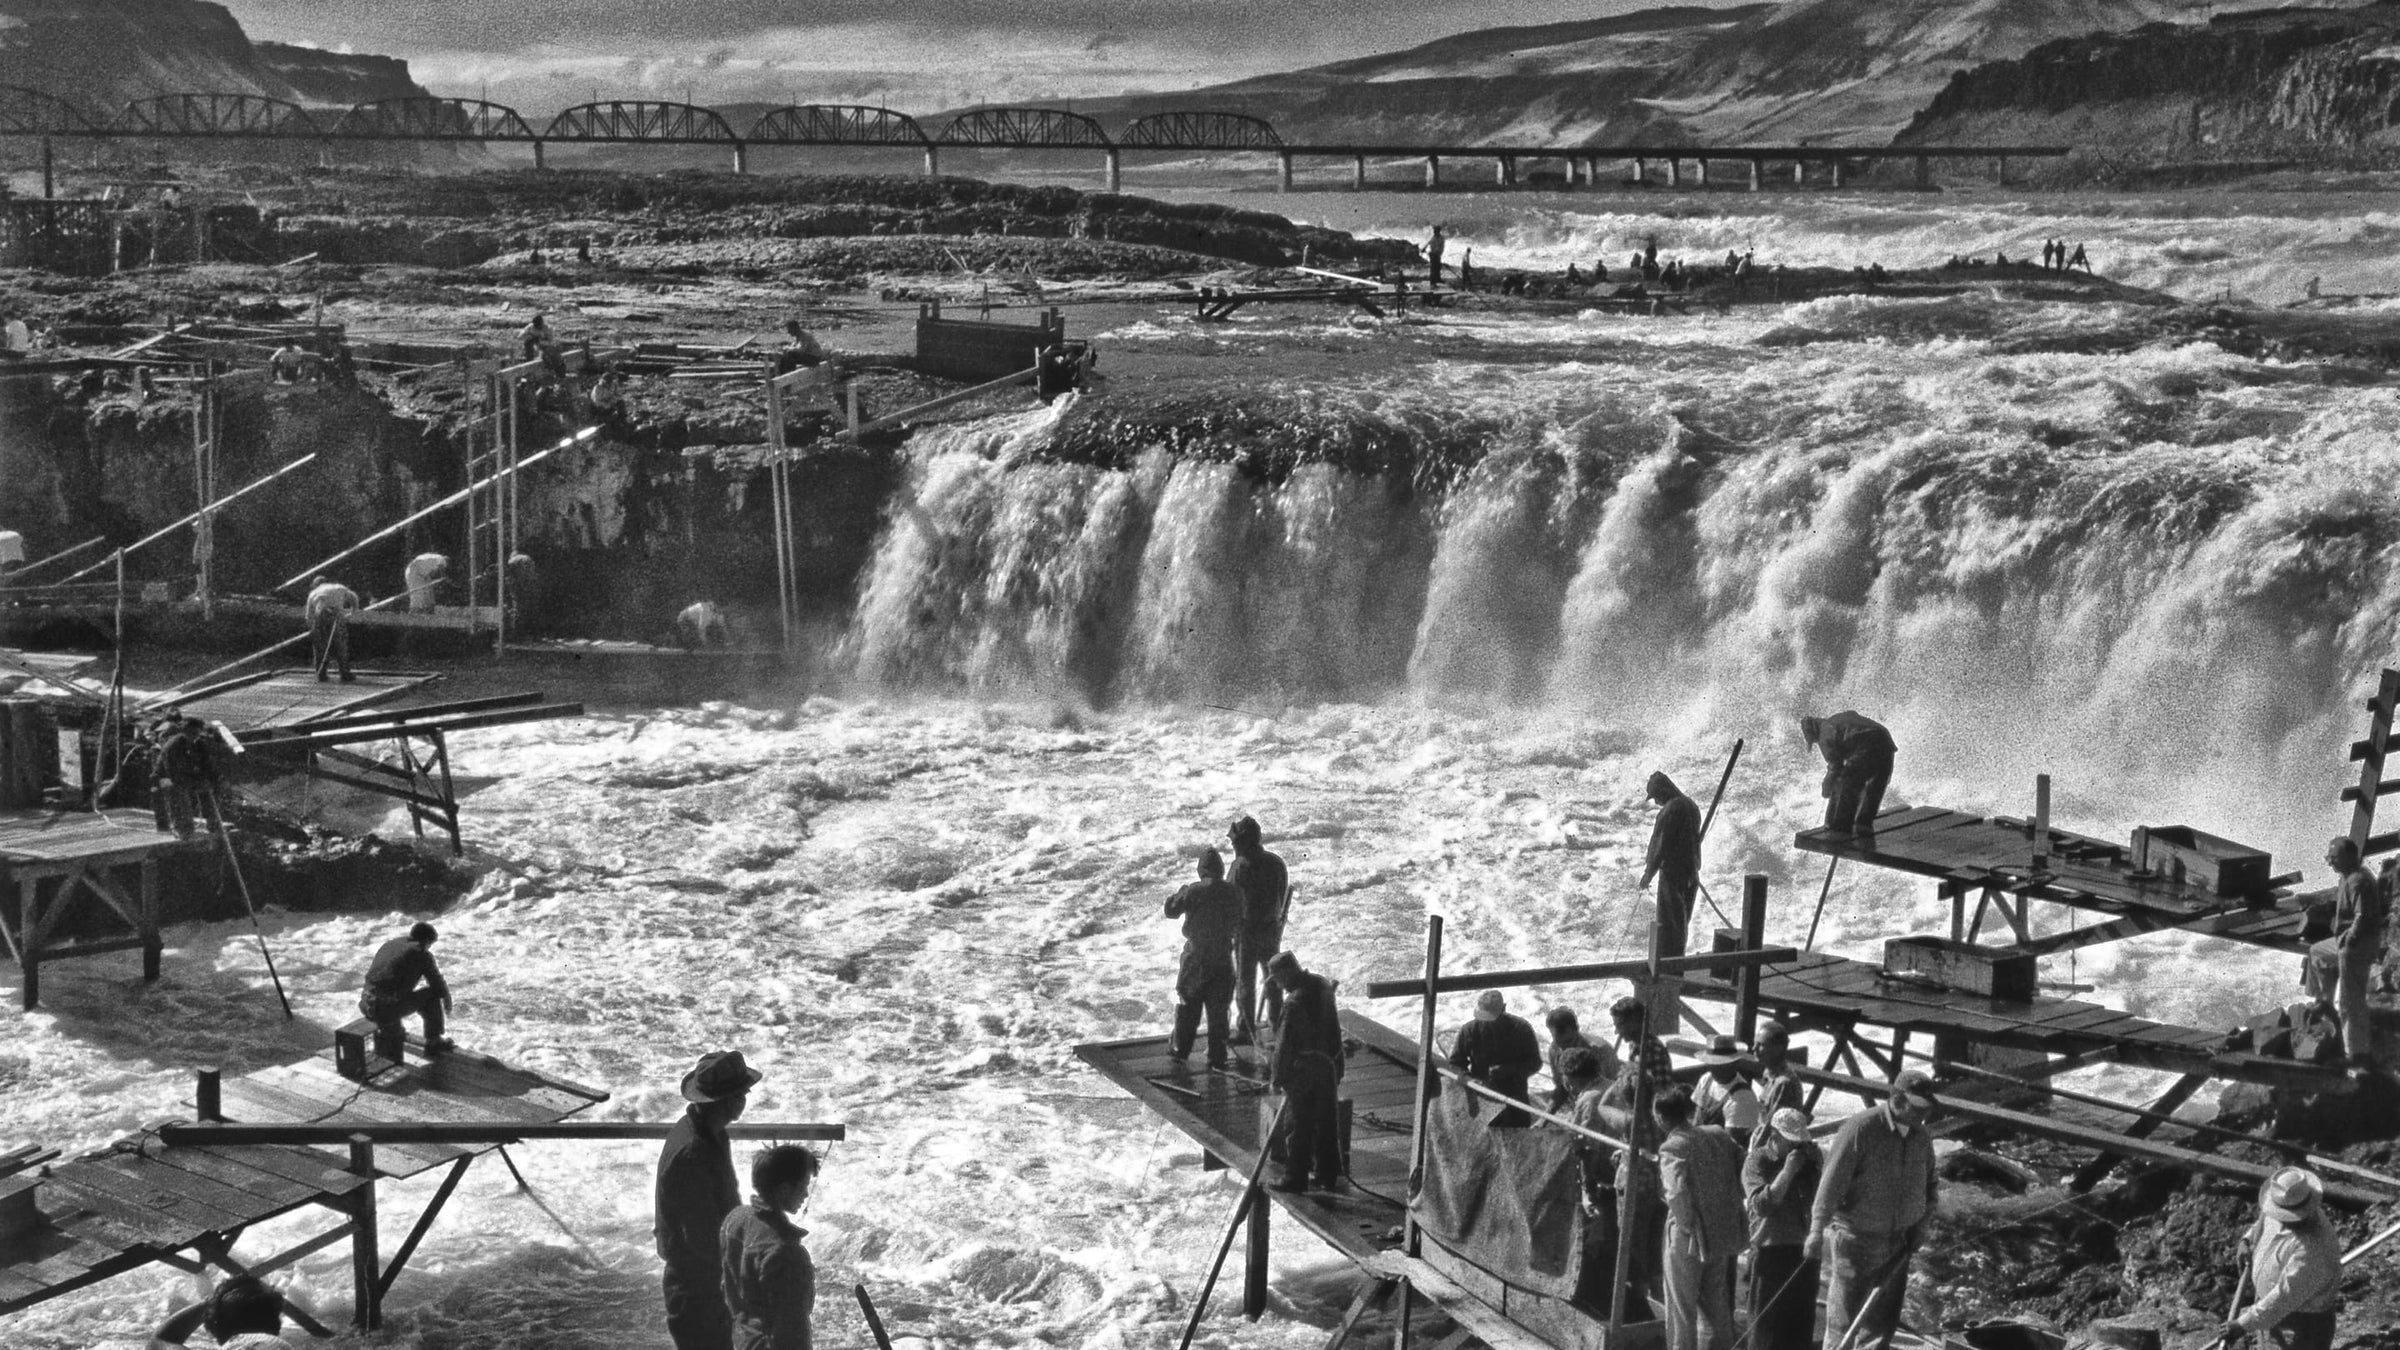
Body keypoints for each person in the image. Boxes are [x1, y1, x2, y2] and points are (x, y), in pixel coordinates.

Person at [1807, 1069, 1940, 1350]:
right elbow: (1830, 1185)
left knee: (1881, 1323)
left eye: (1926, 1109)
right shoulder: (1861, 1129)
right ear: (1896, 1098)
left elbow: (1931, 1188)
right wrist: (1816, 1230)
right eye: (1917, 1107)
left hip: (1900, 1243)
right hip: (1856, 1241)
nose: (1922, 1115)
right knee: (1844, 1322)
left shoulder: (1922, 1137)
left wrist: (1922, 1226)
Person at [658, 1049, 762, 1350]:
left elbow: (726, 1209)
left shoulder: (711, 1133)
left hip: (709, 1283)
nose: (745, 1098)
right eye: (742, 1092)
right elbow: (703, 1238)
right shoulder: (693, 1152)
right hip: (698, 1291)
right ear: (729, 1100)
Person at [1656, 1086, 1746, 1350]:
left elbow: (1675, 1192)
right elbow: (1743, 1168)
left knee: (1681, 1310)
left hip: (1688, 1238)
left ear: (1660, 1117)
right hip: (1720, 1233)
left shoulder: (1672, 1146)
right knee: (1716, 1306)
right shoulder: (1717, 1134)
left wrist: (1688, 1225)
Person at [2227, 1168, 2341, 1350]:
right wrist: (2247, 1240)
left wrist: (2242, 1325)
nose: (2280, 1217)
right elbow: (2264, 1221)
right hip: (2271, 1314)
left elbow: (2283, 1298)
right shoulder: (2284, 1208)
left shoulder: (2313, 1249)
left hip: (2301, 1324)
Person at [720, 1143, 820, 1350]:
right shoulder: (787, 1254)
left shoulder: (735, 1219)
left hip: (741, 1340)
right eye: (803, 1186)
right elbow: (792, 1334)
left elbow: (727, 1289)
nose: (806, 1195)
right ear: (784, 1189)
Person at [1265, 950, 1345, 1192]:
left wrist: (1277, 1078)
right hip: (1329, 1063)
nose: (1277, 986)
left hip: (1306, 1069)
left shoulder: (1293, 1003)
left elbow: (1285, 1044)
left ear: (1286, 974)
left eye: (1277, 980)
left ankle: (1295, 1177)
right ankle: (1326, 1175)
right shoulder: (1322, 983)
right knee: (1327, 1122)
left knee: (1298, 1124)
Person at [1744, 1107, 1823, 1350]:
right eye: (1792, 1142)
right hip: (1770, 1249)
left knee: (1799, 1324)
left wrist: (1815, 1165)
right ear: (1775, 1137)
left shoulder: (1807, 1162)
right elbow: (1762, 1205)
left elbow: (1820, 1197)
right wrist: (1787, 1172)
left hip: (1802, 1248)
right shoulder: (1758, 1160)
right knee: (1765, 1325)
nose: (1797, 1148)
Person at [2304, 835, 2384, 1064]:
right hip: (2345, 940)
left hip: (2358, 946)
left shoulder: (2358, 880)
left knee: (2351, 1000)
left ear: (2349, 856)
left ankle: (2358, 1053)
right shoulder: (2347, 877)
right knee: (2317, 952)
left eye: (2334, 857)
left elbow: (2364, 916)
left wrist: (2349, 939)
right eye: (2328, 858)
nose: (2330, 862)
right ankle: (2324, 1001)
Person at [1163, 847, 1243, 1070]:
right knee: (1219, 1008)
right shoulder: (1235, 892)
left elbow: (1170, 910)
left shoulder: (1193, 890)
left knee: (1189, 1003)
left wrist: (1180, 892)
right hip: (1223, 955)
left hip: (1196, 956)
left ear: (1201, 870)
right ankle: (1217, 1055)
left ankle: (1181, 1049)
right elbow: (1240, 919)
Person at [1227, 816, 1290, 1045]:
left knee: (1246, 980)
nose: (1233, 847)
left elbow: (1231, 901)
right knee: (1273, 977)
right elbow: (1282, 895)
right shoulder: (1276, 862)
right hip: (1271, 928)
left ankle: (1246, 1027)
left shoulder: (1239, 867)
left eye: (1235, 843)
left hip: (1247, 931)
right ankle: (1277, 1023)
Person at [1452, 989, 1543, 1127]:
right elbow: (1455, 1064)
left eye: (1492, 1019)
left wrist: (1510, 1071)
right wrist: (1468, 1079)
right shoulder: (1468, 1030)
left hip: (1515, 1098)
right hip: (1482, 1100)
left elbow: (1535, 1063)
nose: (1487, 1023)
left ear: (1504, 1009)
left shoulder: (1522, 1029)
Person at [360, 921, 452, 1052]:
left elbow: (387, 979)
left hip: (366, 1003)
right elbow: (437, 985)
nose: (429, 948)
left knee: (392, 992)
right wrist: (447, 999)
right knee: (431, 994)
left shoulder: (392, 944)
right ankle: (434, 1041)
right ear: (426, 940)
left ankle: (396, 1029)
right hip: (383, 1010)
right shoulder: (421, 953)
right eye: (430, 944)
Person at [1801, 711, 1896, 835]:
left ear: (1814, 734)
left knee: (1847, 783)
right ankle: (1864, 824)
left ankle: (1840, 830)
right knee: (1876, 786)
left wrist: (1826, 787)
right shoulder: (1838, 719)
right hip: (1886, 741)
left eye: (1814, 741)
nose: (1817, 743)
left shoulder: (1825, 733)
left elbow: (1835, 767)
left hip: (1868, 746)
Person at [1643, 771, 1703, 957]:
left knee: (1669, 922)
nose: (1656, 801)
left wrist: (1648, 874)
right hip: (1691, 873)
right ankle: (1678, 961)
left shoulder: (1669, 810)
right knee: (1682, 921)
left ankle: (1668, 966)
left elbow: (1659, 846)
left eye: (1655, 796)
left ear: (1663, 790)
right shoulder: (1692, 806)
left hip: (1672, 873)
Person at [148, 1274, 296, 1349]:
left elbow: (162, 1340)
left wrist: (212, 1302)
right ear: (276, 1324)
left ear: (215, 1331)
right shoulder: (277, 1346)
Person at [1545, 1006, 1619, 1113]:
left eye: (1568, 1042)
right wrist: (1545, 1117)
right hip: (1578, 1105)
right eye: (1559, 1043)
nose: (1564, 1049)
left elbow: (1613, 1089)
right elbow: (1561, 1088)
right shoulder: (1554, 1049)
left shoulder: (1600, 1050)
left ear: (1576, 1029)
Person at [1693, 1035, 1760, 1140]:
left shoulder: (1742, 1098)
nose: (1716, 1068)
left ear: (1734, 1063)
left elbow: (1731, 1143)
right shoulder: (1706, 1079)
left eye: (1722, 1064)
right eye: (1713, 1063)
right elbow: (1697, 1119)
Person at [304, 575, 358, 683]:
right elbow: (354, 597)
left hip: (321, 615)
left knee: (320, 646)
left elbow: (309, 616)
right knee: (340, 644)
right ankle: (344, 674)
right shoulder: (338, 587)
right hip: (336, 614)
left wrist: (313, 631)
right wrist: (353, 612)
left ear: (315, 585)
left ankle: (321, 674)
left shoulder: (313, 593)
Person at [1754, 1021, 1804, 1121]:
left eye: (1761, 1045)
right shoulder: (1769, 1072)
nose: (1754, 1048)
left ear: (1778, 1049)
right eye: (1755, 1043)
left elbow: (1773, 1126)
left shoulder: (1783, 1084)